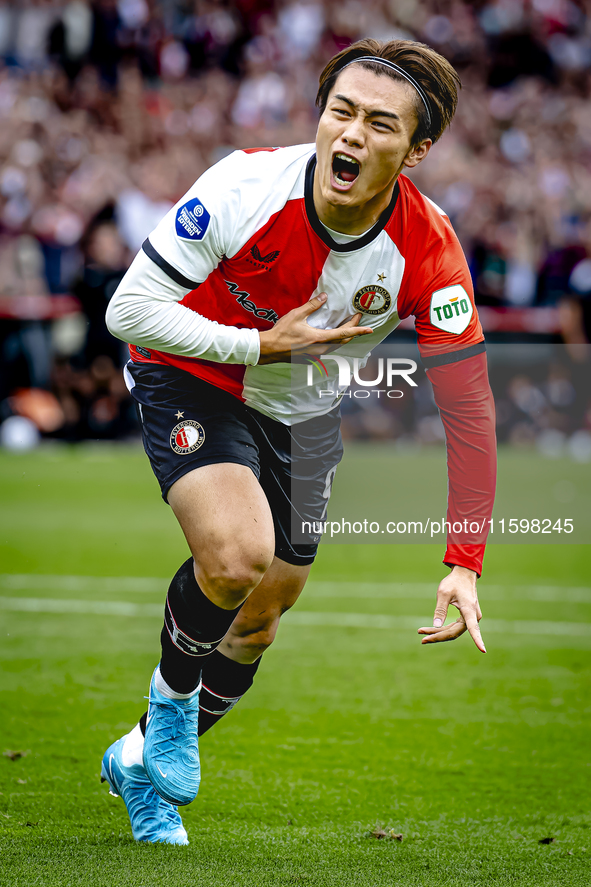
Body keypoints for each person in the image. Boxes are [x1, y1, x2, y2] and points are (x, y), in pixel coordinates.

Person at [103, 38, 496, 844]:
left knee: (258, 616)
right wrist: (258, 346)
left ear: (416, 149)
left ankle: (137, 760)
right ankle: (170, 705)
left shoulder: (429, 249)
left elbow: (469, 409)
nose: (349, 135)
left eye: (378, 124)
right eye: (339, 111)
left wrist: (464, 560)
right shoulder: (245, 184)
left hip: (304, 408)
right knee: (236, 555)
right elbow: (127, 309)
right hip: (195, 369)